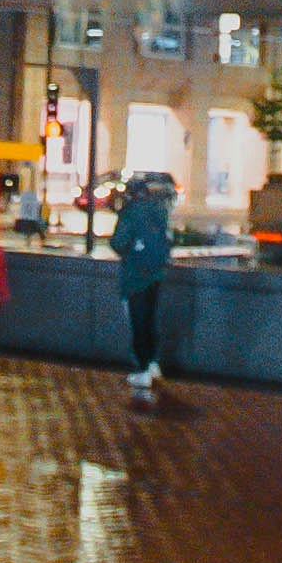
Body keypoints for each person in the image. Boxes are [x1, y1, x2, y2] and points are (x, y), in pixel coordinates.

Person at [110, 167, 175, 394]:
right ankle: (154, 363)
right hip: (156, 274)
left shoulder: (130, 212)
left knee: (138, 322)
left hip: (135, 276)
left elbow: (118, 242)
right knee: (150, 319)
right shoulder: (158, 209)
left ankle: (142, 370)